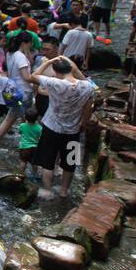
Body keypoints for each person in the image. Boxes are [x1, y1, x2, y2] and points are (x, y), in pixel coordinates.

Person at [32, 56, 97, 200]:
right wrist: (84, 123)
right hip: (74, 129)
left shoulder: (55, 83)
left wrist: (48, 62)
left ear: (56, 72)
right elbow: (89, 107)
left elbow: (33, 76)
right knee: (71, 161)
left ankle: (47, 190)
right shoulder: (87, 86)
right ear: (71, 69)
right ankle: (64, 190)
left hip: (51, 127)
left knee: (47, 160)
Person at [0, 33, 36, 144]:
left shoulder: (10, 54)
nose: (31, 46)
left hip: (14, 91)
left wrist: (26, 51)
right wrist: (39, 78)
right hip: (23, 93)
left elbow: (31, 62)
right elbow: (26, 77)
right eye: (30, 43)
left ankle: (26, 141)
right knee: (10, 119)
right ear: (24, 43)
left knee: (24, 117)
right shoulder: (20, 56)